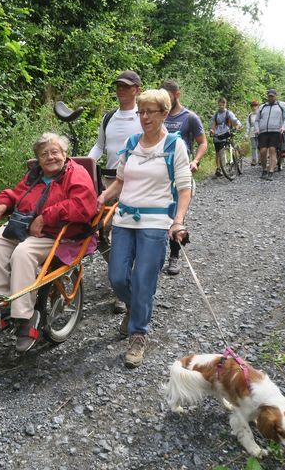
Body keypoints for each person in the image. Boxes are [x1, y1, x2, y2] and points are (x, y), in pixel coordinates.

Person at [97, 89, 192, 368]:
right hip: (124, 219)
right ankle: (136, 307)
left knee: (143, 281)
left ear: (165, 114)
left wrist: (178, 221)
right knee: (116, 278)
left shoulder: (175, 146)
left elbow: (184, 189)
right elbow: (120, 181)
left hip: (156, 221)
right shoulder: (131, 142)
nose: (145, 116)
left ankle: (138, 334)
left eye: (152, 111)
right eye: (142, 111)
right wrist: (103, 196)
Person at [0, 133, 97, 352]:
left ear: (64, 154)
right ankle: (1, 304)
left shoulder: (76, 174)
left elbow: (83, 206)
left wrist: (46, 217)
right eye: (44, 154)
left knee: (23, 253)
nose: (50, 157)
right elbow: (17, 195)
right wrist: (4, 204)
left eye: (55, 152)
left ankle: (25, 316)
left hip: (57, 232)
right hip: (26, 225)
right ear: (38, 159)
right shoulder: (35, 175)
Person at [88, 70, 142, 312]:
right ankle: (121, 275)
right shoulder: (109, 117)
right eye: (118, 85)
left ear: (137, 90)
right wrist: (82, 166)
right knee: (100, 233)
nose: (121, 89)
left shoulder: (144, 116)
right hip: (110, 182)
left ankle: (124, 288)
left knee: (128, 233)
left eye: (126, 86)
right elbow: (99, 146)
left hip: (137, 183)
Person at [159, 79, 207, 276]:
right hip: (159, 173)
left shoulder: (190, 117)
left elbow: (203, 143)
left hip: (180, 173)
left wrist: (195, 160)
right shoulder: (158, 115)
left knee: (177, 215)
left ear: (177, 94)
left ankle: (175, 256)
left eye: (168, 95)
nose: (165, 99)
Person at [254, 89, 285, 181]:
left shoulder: (281, 105)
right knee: (263, 151)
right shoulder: (262, 107)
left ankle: (271, 171)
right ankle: (264, 169)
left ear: (275, 96)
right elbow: (257, 120)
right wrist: (257, 129)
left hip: (276, 131)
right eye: (269, 96)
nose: (270, 97)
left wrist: (283, 127)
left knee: (273, 150)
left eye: (272, 96)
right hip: (263, 131)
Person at [210, 97, 241, 177]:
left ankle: (235, 160)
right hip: (217, 134)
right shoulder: (216, 114)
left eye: (223, 105)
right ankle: (218, 168)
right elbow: (213, 124)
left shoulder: (228, 113)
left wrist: (237, 125)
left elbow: (234, 120)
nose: (221, 106)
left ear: (225, 104)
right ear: (218, 105)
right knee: (218, 153)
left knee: (227, 148)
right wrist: (212, 131)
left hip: (227, 132)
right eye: (220, 105)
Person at [246, 100, 260, 166]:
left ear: (258, 106)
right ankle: (254, 160)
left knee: (260, 146)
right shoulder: (250, 115)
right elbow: (248, 125)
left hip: (260, 132)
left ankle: (261, 159)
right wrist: (246, 134)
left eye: (255, 106)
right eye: (252, 106)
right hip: (252, 132)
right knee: (254, 147)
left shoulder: (260, 114)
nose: (254, 107)